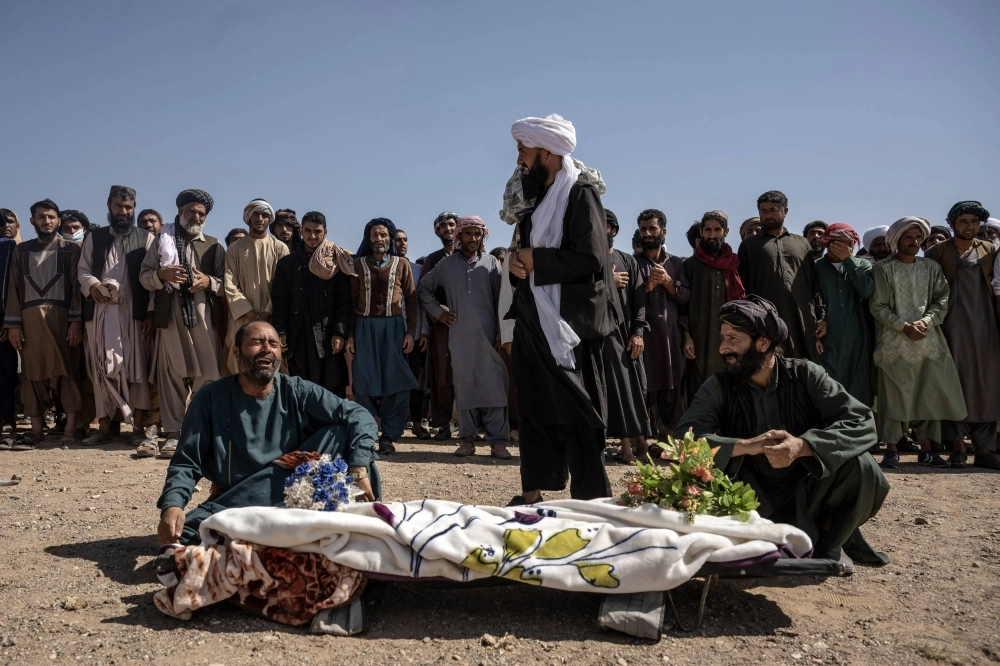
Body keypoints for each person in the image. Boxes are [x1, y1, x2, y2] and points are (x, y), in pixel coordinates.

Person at [676, 296, 890, 563]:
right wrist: (746, 445)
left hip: (809, 492)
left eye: (733, 338)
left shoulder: (807, 375)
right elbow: (684, 440)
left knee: (862, 466)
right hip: (748, 499)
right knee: (694, 473)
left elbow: (862, 421)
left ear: (763, 342)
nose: (723, 348)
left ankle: (827, 541)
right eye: (723, 338)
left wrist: (803, 447)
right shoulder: (718, 385)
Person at [155, 321, 380, 546]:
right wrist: (173, 505)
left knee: (342, 433)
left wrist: (358, 467)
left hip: (295, 493)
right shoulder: (210, 399)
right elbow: (186, 462)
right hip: (239, 502)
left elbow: (360, 416)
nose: (266, 348)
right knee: (181, 537)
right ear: (236, 352)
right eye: (256, 342)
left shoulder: (298, 390)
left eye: (273, 343)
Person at [506, 114, 617, 504]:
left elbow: (591, 257)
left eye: (524, 150)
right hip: (534, 315)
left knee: (577, 409)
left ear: (547, 151)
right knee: (534, 406)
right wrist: (518, 265)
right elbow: (525, 249)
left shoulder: (580, 192)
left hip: (569, 324)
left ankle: (592, 496)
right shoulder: (536, 194)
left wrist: (537, 259)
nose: (519, 158)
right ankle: (532, 491)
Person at [870, 217, 966, 469]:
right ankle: (891, 449)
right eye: (908, 237)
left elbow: (941, 299)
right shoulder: (883, 268)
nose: (913, 242)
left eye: (916, 237)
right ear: (896, 240)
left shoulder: (931, 267)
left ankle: (927, 449)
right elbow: (878, 306)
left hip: (928, 341)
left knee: (928, 393)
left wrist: (927, 321)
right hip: (894, 343)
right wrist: (903, 326)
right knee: (894, 395)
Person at [140, 189, 226, 459]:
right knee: (172, 374)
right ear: (180, 212)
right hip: (171, 313)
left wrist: (208, 282)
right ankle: (174, 433)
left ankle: (198, 429)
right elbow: (144, 277)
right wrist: (161, 274)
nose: (196, 216)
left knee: (208, 372)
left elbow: (227, 283)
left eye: (201, 213)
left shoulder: (213, 245)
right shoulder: (160, 241)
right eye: (191, 211)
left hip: (203, 314)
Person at [418, 215, 511, 459]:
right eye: (467, 233)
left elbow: (501, 301)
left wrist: (502, 334)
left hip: (489, 337)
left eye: (477, 234)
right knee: (465, 387)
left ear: (482, 236)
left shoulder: (491, 264)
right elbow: (424, 289)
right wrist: (438, 312)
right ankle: (467, 440)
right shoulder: (446, 266)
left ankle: (498, 442)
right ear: (459, 236)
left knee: (494, 387)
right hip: (459, 338)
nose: (472, 238)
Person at [77, 185, 156, 449]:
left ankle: (137, 428)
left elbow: (154, 277)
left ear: (133, 209)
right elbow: (83, 269)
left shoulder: (145, 238)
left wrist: (151, 314)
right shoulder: (94, 237)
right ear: (109, 206)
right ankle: (104, 428)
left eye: (128, 207)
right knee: (101, 369)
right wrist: (93, 286)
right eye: (118, 206)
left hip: (133, 315)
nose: (123, 211)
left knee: (135, 368)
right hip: (99, 313)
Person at [2, 199, 84, 448]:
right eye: (41, 217)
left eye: (50, 217)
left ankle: (70, 428)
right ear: (32, 221)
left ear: (58, 220)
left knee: (68, 372)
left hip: (62, 322)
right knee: (32, 373)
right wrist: (13, 325)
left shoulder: (71, 249)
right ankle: (36, 430)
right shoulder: (21, 250)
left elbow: (76, 290)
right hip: (29, 322)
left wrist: (76, 321)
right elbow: (13, 290)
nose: (46, 221)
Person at [926, 202, 1000, 470]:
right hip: (951, 325)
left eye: (974, 221)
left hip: (986, 326)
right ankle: (958, 446)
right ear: (953, 223)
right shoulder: (937, 252)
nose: (969, 226)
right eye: (963, 221)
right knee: (954, 383)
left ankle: (985, 448)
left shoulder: (990, 250)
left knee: (986, 385)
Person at [347, 218, 418, 455]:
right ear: (368, 238)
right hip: (364, 329)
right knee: (364, 384)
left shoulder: (402, 264)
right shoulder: (357, 265)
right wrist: (350, 335)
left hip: (394, 329)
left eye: (384, 235)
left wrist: (410, 332)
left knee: (396, 383)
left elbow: (411, 299)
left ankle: (389, 435)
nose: (379, 239)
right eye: (375, 235)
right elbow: (350, 302)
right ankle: (366, 434)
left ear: (390, 238)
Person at [738, 191, 826, 362]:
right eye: (763, 211)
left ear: (785, 211)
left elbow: (814, 284)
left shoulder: (802, 243)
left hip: (803, 319)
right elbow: (743, 287)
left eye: (773, 210)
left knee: (805, 369)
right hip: (766, 320)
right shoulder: (749, 246)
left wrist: (821, 317)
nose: (768, 215)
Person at [271, 211, 350, 398]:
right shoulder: (287, 264)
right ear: (302, 231)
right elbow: (280, 301)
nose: (312, 236)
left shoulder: (336, 261)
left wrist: (339, 332)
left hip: (327, 335)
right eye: (308, 231)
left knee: (332, 385)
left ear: (325, 232)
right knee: (301, 387)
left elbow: (344, 300)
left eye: (317, 231)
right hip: (298, 335)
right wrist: (281, 331)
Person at [636, 208, 690, 440]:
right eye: (643, 229)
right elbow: (626, 301)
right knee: (643, 388)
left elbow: (686, 296)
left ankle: (670, 443)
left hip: (670, 338)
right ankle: (642, 443)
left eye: (652, 228)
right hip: (643, 337)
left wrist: (668, 282)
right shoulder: (632, 262)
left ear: (663, 231)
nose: (647, 233)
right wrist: (646, 288)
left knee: (671, 390)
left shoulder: (676, 263)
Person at [682, 210, 746, 399]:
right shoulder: (690, 266)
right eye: (707, 230)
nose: (711, 235)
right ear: (701, 232)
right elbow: (682, 305)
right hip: (699, 340)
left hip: (731, 337)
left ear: (725, 232)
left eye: (717, 230)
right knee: (699, 390)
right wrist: (686, 336)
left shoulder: (735, 264)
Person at [604, 209, 651, 463]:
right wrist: (606, 281)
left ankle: (642, 443)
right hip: (603, 335)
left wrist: (638, 332)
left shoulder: (628, 261)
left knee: (637, 387)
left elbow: (640, 300)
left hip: (629, 335)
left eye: (603, 226)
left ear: (613, 230)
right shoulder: (590, 261)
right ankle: (625, 447)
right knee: (618, 388)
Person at [223, 199, 289, 375]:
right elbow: (230, 284)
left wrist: (268, 312)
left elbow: (283, 286)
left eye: (265, 215)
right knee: (240, 365)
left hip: (273, 319)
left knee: (272, 366)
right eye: (256, 214)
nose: (260, 218)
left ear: (269, 219)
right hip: (242, 318)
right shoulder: (234, 249)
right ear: (248, 218)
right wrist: (248, 312)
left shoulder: (280, 248)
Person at [814, 224, 875, 407]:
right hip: (828, 336)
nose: (840, 246)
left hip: (858, 337)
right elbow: (810, 299)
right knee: (829, 383)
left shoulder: (862, 264)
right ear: (827, 243)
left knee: (859, 384)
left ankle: (859, 429)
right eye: (836, 242)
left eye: (845, 242)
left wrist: (848, 261)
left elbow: (867, 291)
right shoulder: (815, 268)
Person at [420, 211, 459, 440]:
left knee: (469, 373)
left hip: (471, 324)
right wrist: (438, 312)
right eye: (443, 226)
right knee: (443, 377)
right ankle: (444, 425)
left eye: (452, 224)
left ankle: (471, 425)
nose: (448, 229)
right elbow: (424, 293)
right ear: (437, 232)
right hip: (443, 326)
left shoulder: (475, 255)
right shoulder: (432, 260)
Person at [394, 228, 431, 439]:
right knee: (394, 381)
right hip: (392, 334)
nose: (401, 244)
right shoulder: (385, 267)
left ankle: (417, 424)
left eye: (405, 240)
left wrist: (424, 331)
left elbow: (422, 304)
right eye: (397, 240)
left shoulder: (418, 270)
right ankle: (395, 425)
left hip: (416, 335)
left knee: (416, 381)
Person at [0, 231, 16, 441]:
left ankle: (6, 421)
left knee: (5, 375)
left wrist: (8, 320)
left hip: (3, 321)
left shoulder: (7, 248)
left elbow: (10, 287)